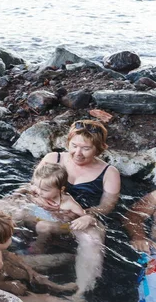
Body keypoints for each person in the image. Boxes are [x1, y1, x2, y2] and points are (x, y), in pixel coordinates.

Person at [37, 119, 121, 295]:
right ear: (67, 142)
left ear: (99, 148)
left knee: (93, 239)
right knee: (5, 207)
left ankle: (80, 293)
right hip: (46, 208)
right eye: (74, 145)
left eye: (86, 148)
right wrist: (41, 202)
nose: (78, 153)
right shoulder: (54, 158)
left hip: (78, 218)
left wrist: (88, 215)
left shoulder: (109, 172)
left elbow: (107, 206)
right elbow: (35, 187)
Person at [0, 210, 77, 297]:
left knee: (31, 273)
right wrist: (11, 286)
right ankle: (52, 290)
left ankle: (49, 283)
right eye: (10, 237)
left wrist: (25, 267)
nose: (11, 237)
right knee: (24, 286)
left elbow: (6, 254)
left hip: (1, 267)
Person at [24, 163, 87, 254]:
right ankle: (20, 234)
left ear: (61, 189)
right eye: (37, 186)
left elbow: (83, 217)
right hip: (40, 217)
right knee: (21, 213)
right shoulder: (38, 190)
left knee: (42, 226)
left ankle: (39, 246)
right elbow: (29, 190)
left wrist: (85, 218)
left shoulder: (68, 203)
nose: (39, 192)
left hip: (60, 225)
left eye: (45, 190)